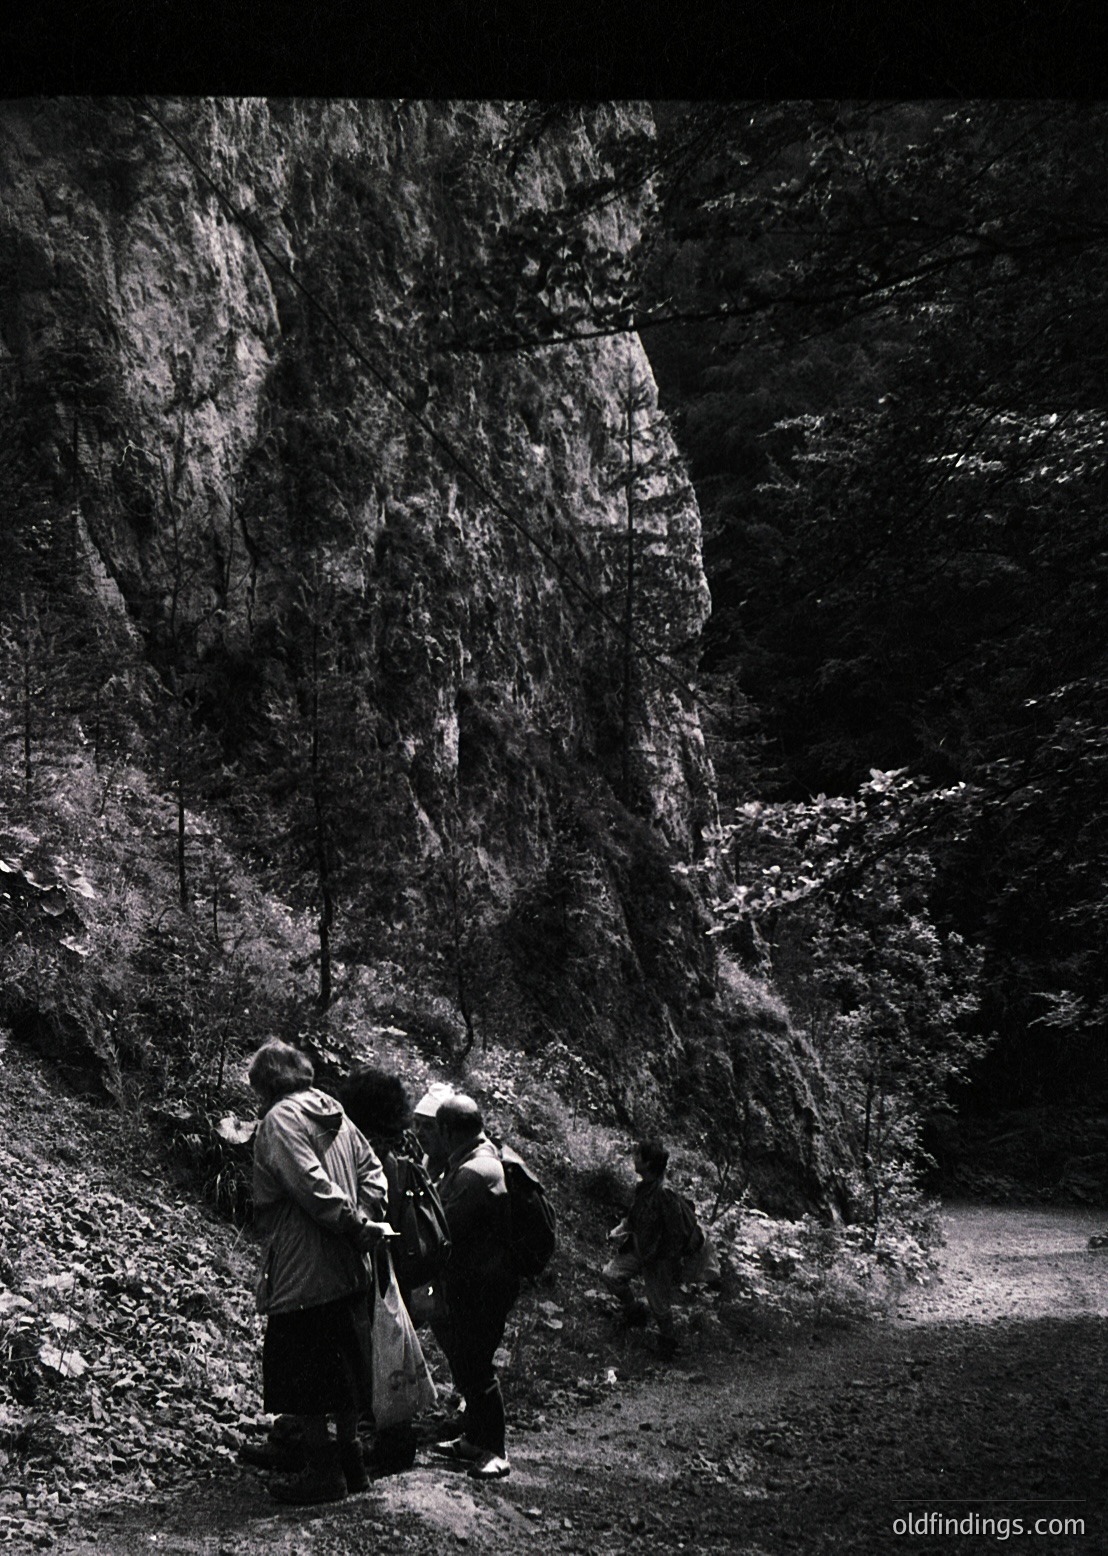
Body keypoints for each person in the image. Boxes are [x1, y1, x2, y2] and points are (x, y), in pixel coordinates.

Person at [248, 1038, 391, 1503]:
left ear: (266, 1082)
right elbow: (375, 1172)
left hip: (303, 1267)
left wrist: (352, 1223)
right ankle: (351, 1460)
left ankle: (323, 1471)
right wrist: (365, 1219)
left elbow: (309, 1183)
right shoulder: (336, 1112)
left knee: (303, 1368)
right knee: (346, 1362)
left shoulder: (280, 1119)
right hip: (350, 1265)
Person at [429, 1094, 518, 1480]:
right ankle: (474, 1439)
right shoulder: (485, 1159)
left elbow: (443, 1229)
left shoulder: (472, 1174)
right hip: (485, 1280)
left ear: (447, 1131)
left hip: (481, 1286)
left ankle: (495, 1449)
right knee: (466, 1361)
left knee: (475, 1366)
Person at [601, 1138, 719, 1360]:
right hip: (640, 1248)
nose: (634, 1158)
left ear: (648, 1163)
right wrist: (621, 1230)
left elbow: (676, 1232)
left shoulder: (665, 1193)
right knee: (611, 1275)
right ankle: (634, 1312)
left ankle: (668, 1344)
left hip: (659, 1257)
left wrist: (666, 1261)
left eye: (638, 1155)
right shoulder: (644, 1187)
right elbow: (635, 1217)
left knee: (659, 1303)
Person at [411, 1082, 455, 1179]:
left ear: (446, 1131)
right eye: (417, 1124)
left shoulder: (455, 1169)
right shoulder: (422, 1159)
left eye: (428, 1126)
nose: (419, 1132)